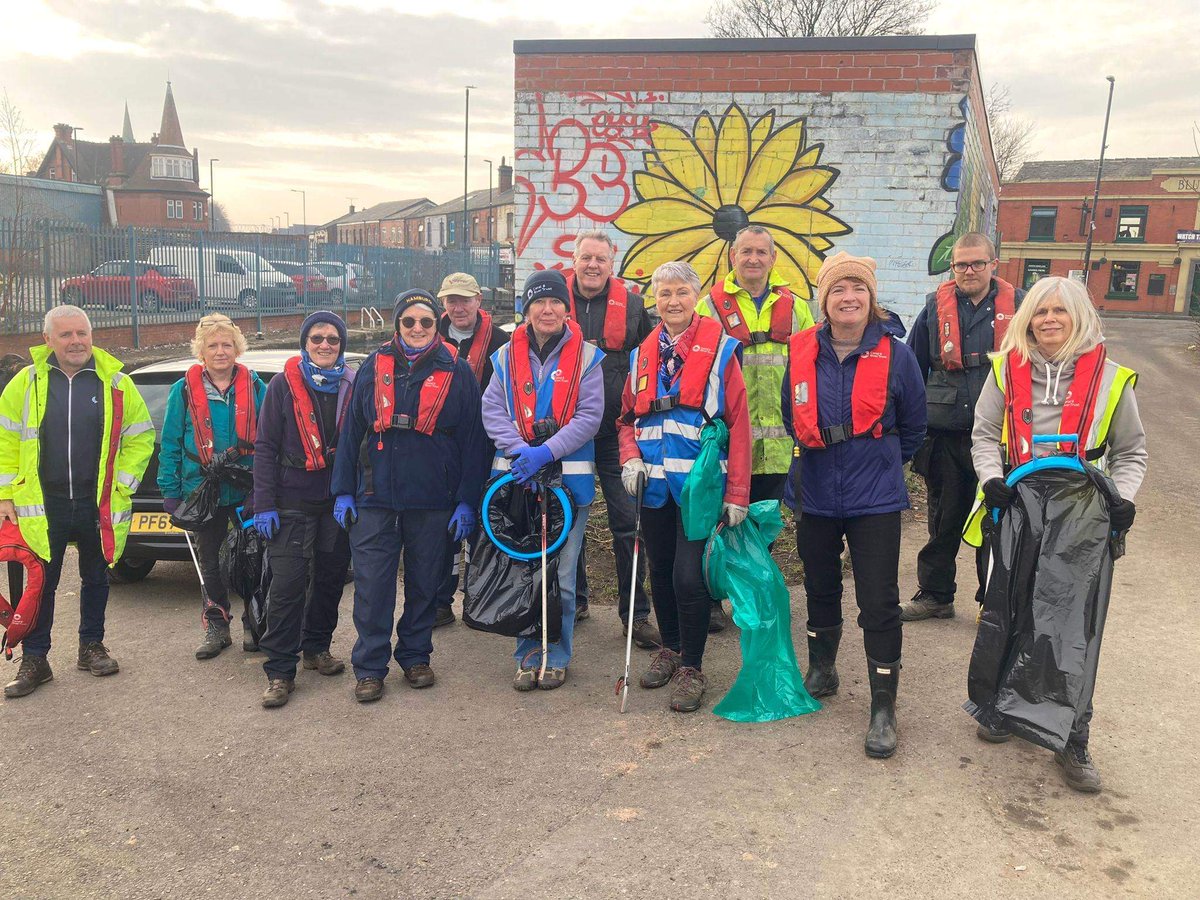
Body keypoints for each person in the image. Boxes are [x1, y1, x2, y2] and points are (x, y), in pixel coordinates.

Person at [966, 275, 1145, 793]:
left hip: (1083, 511)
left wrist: (1122, 500)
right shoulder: (1004, 372)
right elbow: (982, 435)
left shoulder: (1112, 379)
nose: (1048, 320)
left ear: (1079, 317)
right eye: (1040, 311)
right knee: (1009, 606)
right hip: (1019, 503)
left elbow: (1132, 451)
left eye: (1060, 312)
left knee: (1074, 624)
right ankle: (1002, 708)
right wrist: (991, 479)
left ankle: (1073, 738)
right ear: (1027, 318)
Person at [781, 253, 927, 758]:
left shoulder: (897, 354)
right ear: (825, 300)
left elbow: (914, 427)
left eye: (858, 289)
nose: (849, 298)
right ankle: (822, 669)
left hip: (875, 498)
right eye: (839, 290)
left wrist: (881, 462)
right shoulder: (801, 351)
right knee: (819, 585)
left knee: (879, 599)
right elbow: (788, 415)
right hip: (816, 491)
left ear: (871, 298)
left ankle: (884, 705)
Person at [332, 290, 486, 703]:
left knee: (425, 581)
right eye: (408, 322)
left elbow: (474, 440)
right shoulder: (371, 366)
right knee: (372, 585)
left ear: (437, 326)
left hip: (434, 494)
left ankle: (416, 655)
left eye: (426, 322)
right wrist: (343, 491)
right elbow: (351, 432)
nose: (417, 329)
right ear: (397, 325)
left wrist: (467, 500)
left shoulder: (457, 369)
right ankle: (369, 667)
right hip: (373, 493)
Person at [616, 261, 751, 712]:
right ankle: (670, 648)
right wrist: (630, 457)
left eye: (681, 292)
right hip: (652, 486)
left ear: (697, 297)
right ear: (654, 298)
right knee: (660, 570)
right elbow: (626, 419)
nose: (672, 301)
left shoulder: (721, 351)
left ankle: (693, 665)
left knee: (688, 577)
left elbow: (739, 424)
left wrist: (736, 494)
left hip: (699, 488)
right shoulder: (641, 354)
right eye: (664, 293)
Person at [1, 306, 154, 699]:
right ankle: (35, 658)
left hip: (96, 501)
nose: (76, 342)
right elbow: (5, 441)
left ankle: (91, 646)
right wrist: (4, 493)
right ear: (47, 339)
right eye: (66, 335)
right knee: (42, 582)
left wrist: (122, 484)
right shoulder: (26, 383)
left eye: (82, 333)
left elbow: (140, 435)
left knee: (97, 576)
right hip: (42, 502)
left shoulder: (115, 382)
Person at [482, 269, 604, 691]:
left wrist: (545, 452)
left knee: (562, 580)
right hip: (519, 484)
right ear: (527, 308)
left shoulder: (588, 358)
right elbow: (492, 410)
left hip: (568, 489)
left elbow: (590, 417)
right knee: (525, 574)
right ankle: (527, 654)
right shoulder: (503, 357)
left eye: (555, 302)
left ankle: (557, 655)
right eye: (538, 302)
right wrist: (521, 452)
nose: (547, 309)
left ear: (566, 309)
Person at [902, 233, 1025, 622]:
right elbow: (911, 369)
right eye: (960, 265)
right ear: (952, 267)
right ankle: (936, 595)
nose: (968, 271)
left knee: (997, 520)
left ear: (994, 263)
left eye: (976, 263)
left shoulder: (1021, 308)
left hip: (1001, 438)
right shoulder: (932, 310)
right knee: (943, 519)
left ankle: (994, 603)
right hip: (945, 434)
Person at [698, 225, 815, 629]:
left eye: (761, 252)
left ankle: (752, 594)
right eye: (745, 251)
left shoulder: (797, 307)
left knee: (764, 524)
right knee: (718, 521)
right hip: (729, 441)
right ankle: (713, 597)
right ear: (733, 256)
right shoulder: (708, 306)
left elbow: (810, 368)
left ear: (773, 258)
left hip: (780, 443)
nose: (753, 259)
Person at [252, 312, 356, 708]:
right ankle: (280, 670)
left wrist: (350, 491)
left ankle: (316, 648)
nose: (325, 345)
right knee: (288, 586)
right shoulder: (281, 385)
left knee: (330, 581)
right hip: (290, 499)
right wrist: (264, 503)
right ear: (305, 343)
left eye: (332, 339)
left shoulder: (351, 383)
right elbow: (265, 447)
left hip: (336, 499)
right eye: (317, 338)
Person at [564, 231, 658, 647]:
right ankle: (576, 599)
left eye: (600, 259)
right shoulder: (550, 302)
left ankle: (635, 615)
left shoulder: (634, 308)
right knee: (568, 521)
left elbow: (649, 364)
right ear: (574, 259)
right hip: (568, 435)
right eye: (586, 257)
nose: (593, 266)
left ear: (611, 263)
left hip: (617, 434)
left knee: (627, 522)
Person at [158, 314, 266, 660]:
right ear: (201, 352)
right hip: (203, 489)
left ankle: (255, 623)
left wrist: (265, 490)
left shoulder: (257, 387)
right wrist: (170, 493)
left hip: (246, 489)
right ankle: (217, 626)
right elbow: (171, 443)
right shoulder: (183, 391)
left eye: (227, 345)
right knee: (211, 562)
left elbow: (269, 441)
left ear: (237, 349)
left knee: (254, 559)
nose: (221, 351)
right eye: (213, 346)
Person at [432, 272, 509, 629]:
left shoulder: (502, 342)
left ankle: (480, 598)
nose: (458, 307)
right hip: (442, 445)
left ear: (480, 299)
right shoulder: (427, 335)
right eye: (451, 300)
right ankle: (441, 600)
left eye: (464, 299)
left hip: (490, 442)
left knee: (486, 524)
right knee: (444, 526)